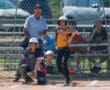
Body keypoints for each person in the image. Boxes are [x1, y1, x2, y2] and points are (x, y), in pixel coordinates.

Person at [56, 16, 72, 86]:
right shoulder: (57, 29)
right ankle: (67, 76)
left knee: (64, 63)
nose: (62, 23)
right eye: (61, 22)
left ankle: (67, 79)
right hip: (59, 49)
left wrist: (72, 34)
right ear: (59, 23)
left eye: (64, 22)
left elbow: (69, 41)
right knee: (58, 66)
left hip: (66, 48)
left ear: (66, 23)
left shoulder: (68, 30)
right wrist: (70, 31)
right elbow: (61, 33)